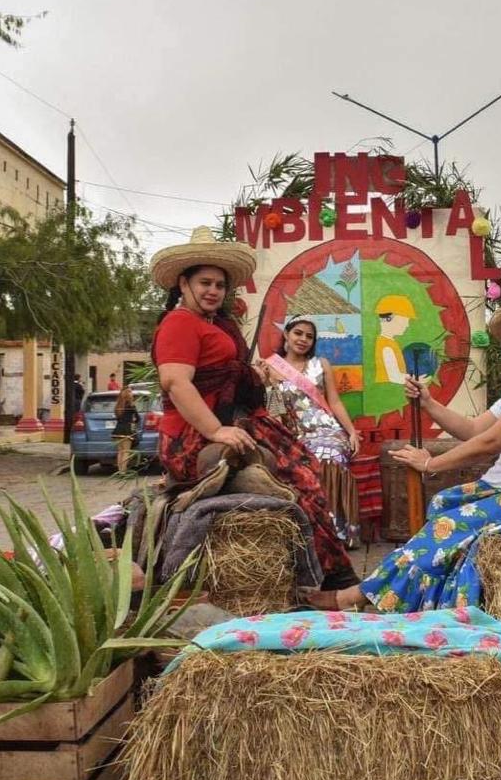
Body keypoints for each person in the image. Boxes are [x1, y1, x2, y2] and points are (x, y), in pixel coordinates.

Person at [308, 303, 501, 613]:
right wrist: (428, 402)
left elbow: (490, 442)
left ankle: (356, 596)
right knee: (442, 503)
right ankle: (425, 599)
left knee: (449, 523)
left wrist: (431, 464)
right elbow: (474, 429)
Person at [148, 227, 358, 590]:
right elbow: (176, 383)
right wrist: (215, 430)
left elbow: (234, 381)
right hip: (193, 435)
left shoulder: (217, 326)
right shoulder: (180, 323)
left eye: (219, 284)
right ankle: (330, 575)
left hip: (241, 420)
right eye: (205, 282)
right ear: (183, 283)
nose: (213, 290)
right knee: (297, 475)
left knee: (304, 468)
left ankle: (325, 568)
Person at [263, 318, 363, 545]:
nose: (303, 340)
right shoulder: (271, 366)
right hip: (294, 432)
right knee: (307, 455)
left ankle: (337, 532)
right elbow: (274, 408)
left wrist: (351, 432)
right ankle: (311, 531)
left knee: (330, 454)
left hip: (329, 429)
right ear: (286, 335)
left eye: (309, 337)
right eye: (298, 333)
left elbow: (335, 402)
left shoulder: (322, 364)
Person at [112, 386, 140, 474]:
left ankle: (119, 470)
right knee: (126, 451)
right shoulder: (131, 405)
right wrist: (133, 421)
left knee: (120, 451)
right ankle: (123, 471)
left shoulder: (118, 405)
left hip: (117, 430)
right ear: (128, 394)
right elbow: (138, 418)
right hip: (127, 429)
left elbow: (118, 418)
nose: (132, 394)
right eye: (130, 392)